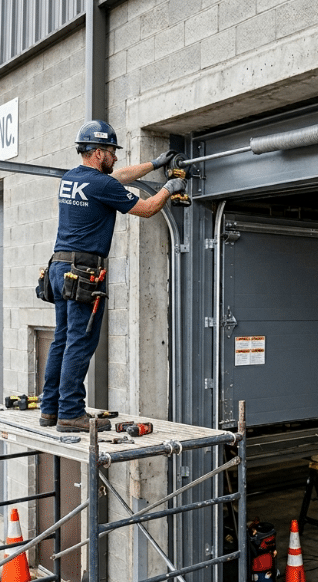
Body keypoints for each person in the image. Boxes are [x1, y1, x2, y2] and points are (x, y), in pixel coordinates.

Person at [39, 120, 187, 433]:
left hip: (59, 268)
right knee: (80, 342)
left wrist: (154, 164)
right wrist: (168, 187)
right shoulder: (101, 185)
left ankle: (50, 409)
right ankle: (70, 414)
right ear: (98, 152)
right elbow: (146, 209)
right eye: (112, 151)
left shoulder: (74, 178)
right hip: (83, 273)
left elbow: (118, 178)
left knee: (62, 339)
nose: (116, 157)